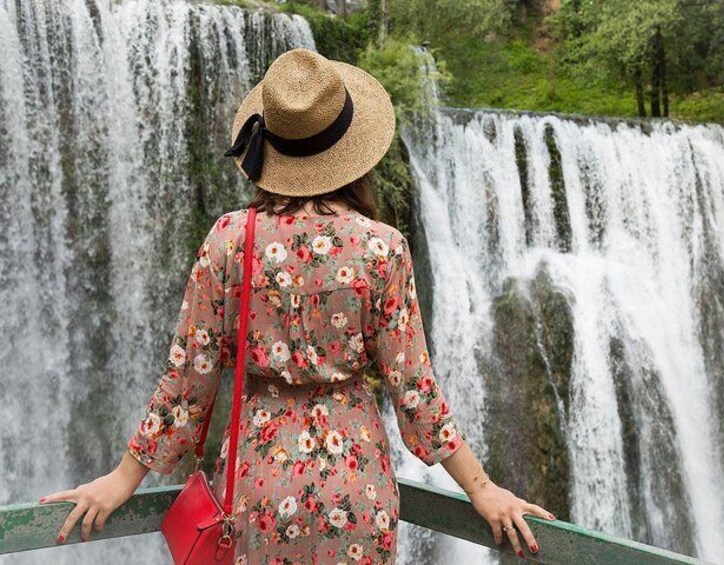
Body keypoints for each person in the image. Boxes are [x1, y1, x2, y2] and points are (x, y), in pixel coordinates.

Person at [38, 48, 554, 564]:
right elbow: (415, 392)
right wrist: (482, 488)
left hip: (256, 484)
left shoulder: (229, 240)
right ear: (349, 151)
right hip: (355, 489)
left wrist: (121, 479)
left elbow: (187, 383)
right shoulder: (382, 248)